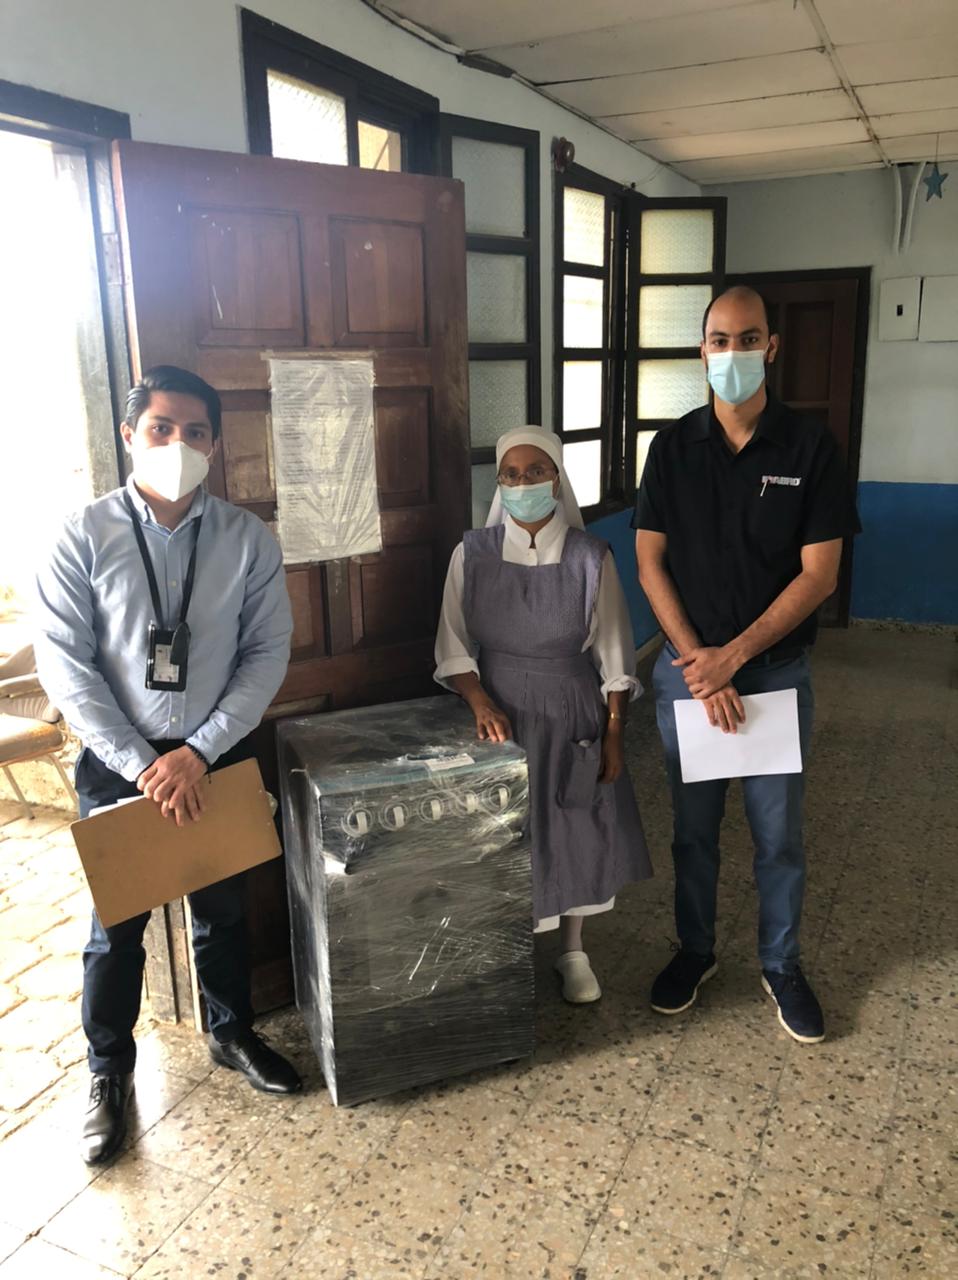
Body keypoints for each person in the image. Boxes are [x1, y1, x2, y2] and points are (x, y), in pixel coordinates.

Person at [34, 366, 302, 1165]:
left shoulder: (247, 540)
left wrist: (198, 751)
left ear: (214, 444)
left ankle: (232, 1032)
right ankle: (108, 1072)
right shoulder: (82, 536)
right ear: (130, 435)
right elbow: (66, 667)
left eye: (194, 431)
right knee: (115, 931)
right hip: (121, 763)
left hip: (214, 756)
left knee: (223, 909)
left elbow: (266, 653)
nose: (177, 443)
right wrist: (142, 762)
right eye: (160, 427)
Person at [634, 286, 860, 1044]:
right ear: (701, 350)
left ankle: (781, 965)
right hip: (690, 676)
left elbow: (819, 575)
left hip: (771, 676)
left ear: (772, 347)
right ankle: (694, 951)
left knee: (778, 837)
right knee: (693, 833)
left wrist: (732, 658)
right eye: (719, 340)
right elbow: (649, 562)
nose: (733, 353)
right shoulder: (672, 449)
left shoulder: (810, 448)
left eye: (748, 338)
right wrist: (699, 665)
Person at [435, 426, 652, 1002]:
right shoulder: (471, 554)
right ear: (499, 483)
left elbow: (613, 651)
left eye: (536, 471)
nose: (523, 483)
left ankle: (573, 950)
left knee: (576, 825)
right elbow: (452, 646)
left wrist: (614, 732)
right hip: (497, 713)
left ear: (557, 479)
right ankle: (505, 945)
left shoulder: (590, 557)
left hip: (571, 708)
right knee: (502, 831)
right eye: (511, 474)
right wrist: (479, 701)